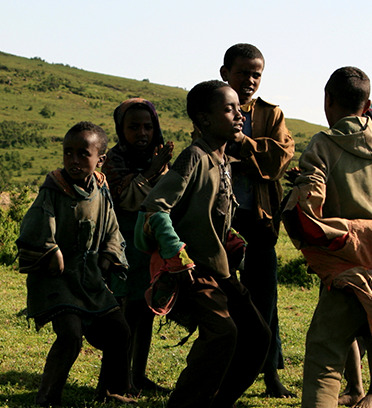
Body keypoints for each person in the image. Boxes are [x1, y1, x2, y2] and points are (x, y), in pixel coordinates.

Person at [282, 67, 372, 408]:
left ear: (328, 101)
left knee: (325, 356)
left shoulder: (323, 145)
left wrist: (317, 214)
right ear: (366, 107)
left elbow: (310, 201)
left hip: (349, 274)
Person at [135, 80, 271, 408]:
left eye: (240, 108)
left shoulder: (223, 158)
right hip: (194, 270)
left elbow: (208, 213)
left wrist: (228, 238)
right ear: (204, 119)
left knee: (257, 335)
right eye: (229, 109)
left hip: (220, 268)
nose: (239, 115)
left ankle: (217, 401)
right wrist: (175, 251)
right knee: (223, 333)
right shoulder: (194, 157)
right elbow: (155, 208)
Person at [16, 121, 135, 406]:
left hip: (91, 279)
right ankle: (47, 397)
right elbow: (35, 226)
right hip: (58, 280)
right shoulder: (54, 188)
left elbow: (112, 228)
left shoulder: (101, 189)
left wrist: (109, 253)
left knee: (120, 331)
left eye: (83, 154)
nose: (74, 160)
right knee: (70, 335)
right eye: (68, 153)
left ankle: (109, 390)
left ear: (100, 159)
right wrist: (50, 249)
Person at [217, 43, 296, 398]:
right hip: (224, 222)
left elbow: (279, 159)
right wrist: (252, 155)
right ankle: (229, 367)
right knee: (227, 298)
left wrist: (243, 144)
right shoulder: (213, 107)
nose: (250, 80)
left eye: (256, 74)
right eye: (242, 73)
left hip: (261, 220)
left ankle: (268, 373)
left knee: (265, 301)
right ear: (225, 74)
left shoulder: (271, 114)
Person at [102, 98, 174, 394]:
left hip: (150, 244)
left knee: (146, 311)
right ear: (121, 129)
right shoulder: (114, 160)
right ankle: (121, 379)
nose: (142, 133)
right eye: (133, 127)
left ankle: (138, 374)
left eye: (148, 126)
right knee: (125, 313)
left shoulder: (159, 159)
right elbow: (129, 198)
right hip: (124, 243)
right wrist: (153, 171)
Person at [337, 103, 372, 408]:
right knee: (348, 322)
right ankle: (357, 387)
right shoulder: (345, 150)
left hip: (371, 251)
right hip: (349, 247)